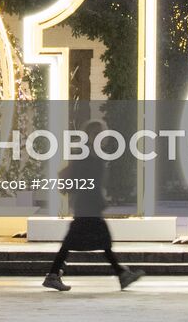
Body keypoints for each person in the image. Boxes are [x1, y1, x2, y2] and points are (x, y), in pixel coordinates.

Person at [42, 120, 145, 293]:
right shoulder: (86, 153)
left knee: (92, 240)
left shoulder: (92, 153)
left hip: (88, 203)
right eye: (97, 133)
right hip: (86, 203)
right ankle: (121, 274)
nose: (100, 136)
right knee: (96, 240)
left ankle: (54, 274)